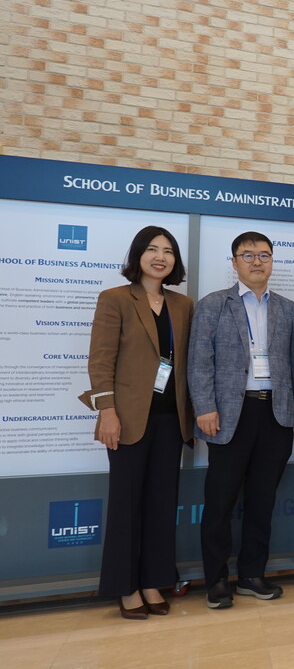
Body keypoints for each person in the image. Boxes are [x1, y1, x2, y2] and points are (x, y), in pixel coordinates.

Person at [81, 226, 193, 620]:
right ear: (138, 256)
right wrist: (107, 411)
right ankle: (126, 587)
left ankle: (153, 581)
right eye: (152, 250)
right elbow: (101, 360)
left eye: (168, 251)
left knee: (162, 505)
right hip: (127, 419)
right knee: (126, 505)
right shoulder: (115, 299)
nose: (161, 257)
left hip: (171, 420)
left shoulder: (183, 305)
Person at [188, 231, 294, 609]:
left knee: (262, 500)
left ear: (272, 261)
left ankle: (253, 575)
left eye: (264, 255)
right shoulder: (213, 304)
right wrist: (204, 407)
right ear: (234, 262)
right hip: (229, 414)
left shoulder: (285, 307)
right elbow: (199, 361)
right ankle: (217, 580)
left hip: (274, 412)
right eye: (248, 255)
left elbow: (293, 360)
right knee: (220, 501)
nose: (257, 262)